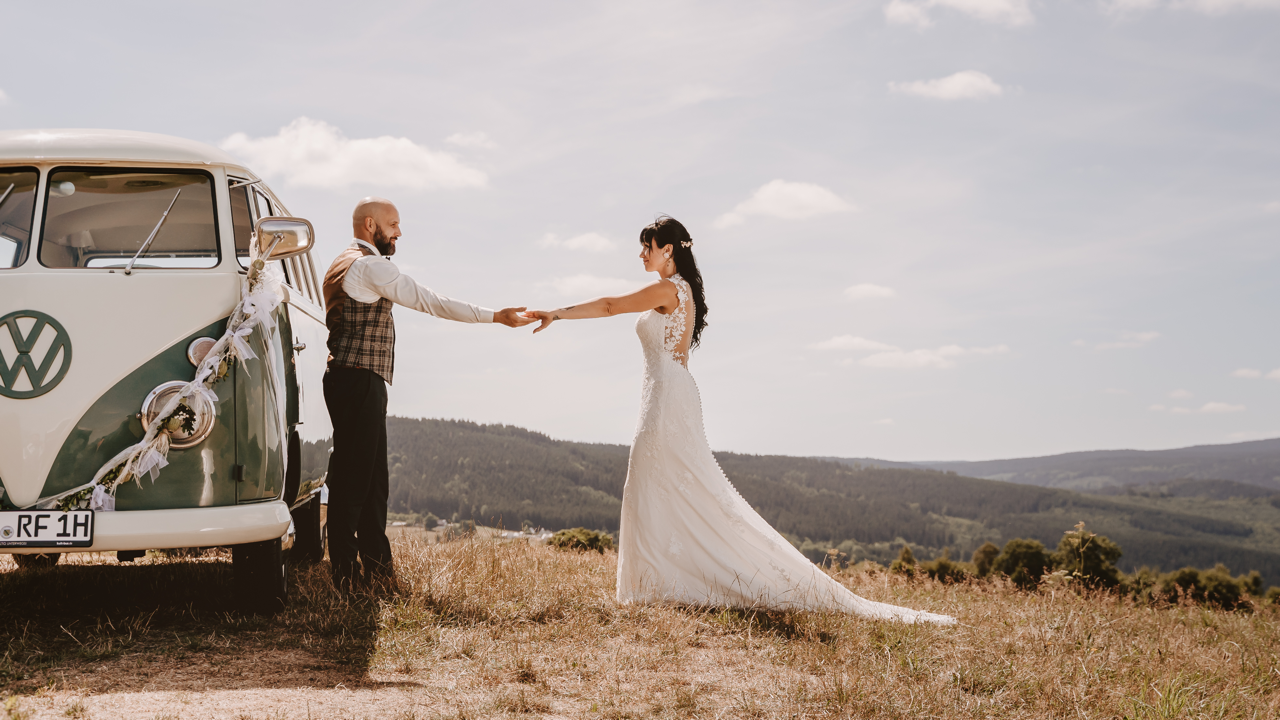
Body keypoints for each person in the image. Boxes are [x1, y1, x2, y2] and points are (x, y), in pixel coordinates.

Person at [525, 216, 954, 623]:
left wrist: (557, 313)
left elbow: (608, 305)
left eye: (647, 248)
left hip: (666, 400)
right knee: (668, 487)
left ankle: (655, 584)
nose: (641, 255)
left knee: (660, 484)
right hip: (670, 393)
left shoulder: (668, 291)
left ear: (668, 250)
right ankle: (655, 583)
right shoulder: (684, 290)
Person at [322, 197, 533, 591]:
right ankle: (346, 581)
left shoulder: (340, 263)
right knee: (354, 483)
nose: (399, 232)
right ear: (371, 225)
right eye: (394, 224)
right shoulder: (370, 266)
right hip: (359, 381)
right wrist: (495, 317)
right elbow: (430, 301)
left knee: (372, 481)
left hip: (348, 378)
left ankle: (378, 574)